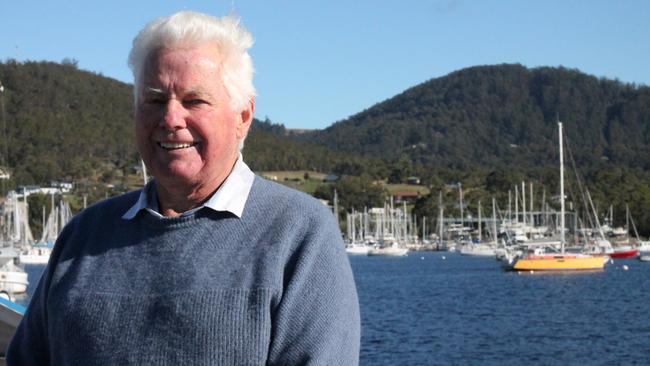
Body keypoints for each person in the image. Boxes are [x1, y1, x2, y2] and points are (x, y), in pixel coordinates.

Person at [6, 11, 360, 365]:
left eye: (194, 101)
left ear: (243, 117)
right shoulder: (83, 235)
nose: (171, 119)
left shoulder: (299, 234)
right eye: (155, 100)